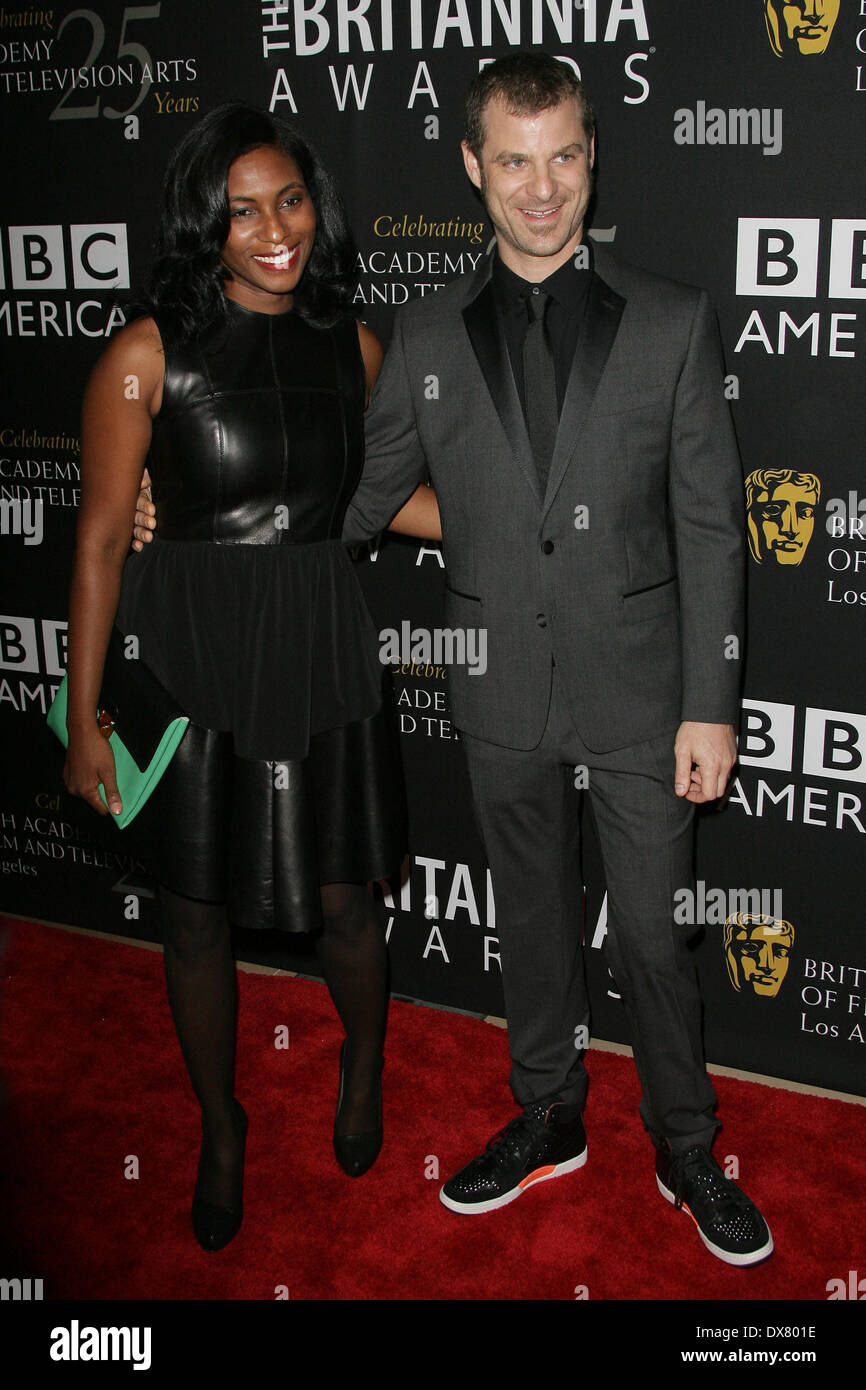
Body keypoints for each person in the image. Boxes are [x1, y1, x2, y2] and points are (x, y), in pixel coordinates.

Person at [136, 57, 772, 1267]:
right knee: (530, 923)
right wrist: (184, 507)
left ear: (593, 158)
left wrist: (711, 705)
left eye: (565, 156)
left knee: (652, 934)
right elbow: (349, 498)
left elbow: (709, 524)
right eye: (515, 161)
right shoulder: (421, 334)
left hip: (643, 694)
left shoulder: (674, 318)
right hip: (496, 691)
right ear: (472, 168)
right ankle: (548, 1114)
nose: (542, 190)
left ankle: (686, 1144)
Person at [63, 104, 432, 1253]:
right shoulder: (144, 354)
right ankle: (220, 1126)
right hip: (191, 660)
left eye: (290, 201)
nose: (272, 228)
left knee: (344, 907)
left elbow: (380, 505)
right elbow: (101, 535)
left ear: (316, 208)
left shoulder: (353, 344)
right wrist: (83, 720)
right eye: (240, 209)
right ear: (201, 224)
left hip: (317, 646)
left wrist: (521, 534)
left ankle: (362, 1067)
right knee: (193, 914)